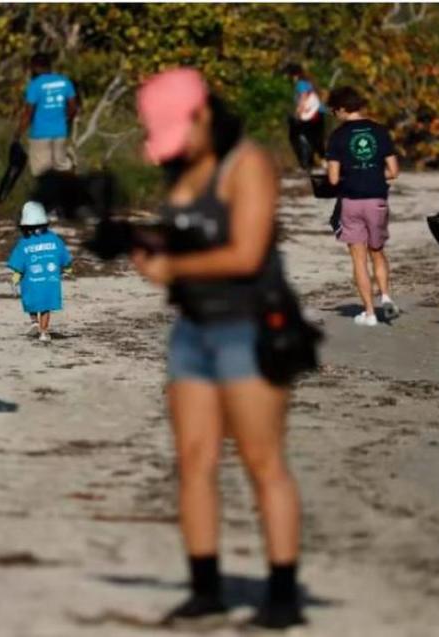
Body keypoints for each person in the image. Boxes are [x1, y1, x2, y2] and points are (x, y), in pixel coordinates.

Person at [131, 68, 305, 630]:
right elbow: (187, 235)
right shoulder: (183, 165)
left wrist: (170, 266)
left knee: (263, 463)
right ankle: (205, 587)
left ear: (204, 115)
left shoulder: (247, 163)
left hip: (250, 330)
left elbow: (246, 255)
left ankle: (281, 595)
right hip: (192, 331)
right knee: (193, 463)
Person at [325, 86, 400, 327]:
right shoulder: (379, 131)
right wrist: (375, 175)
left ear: (342, 109)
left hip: (351, 201)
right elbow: (394, 171)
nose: (334, 114)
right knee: (377, 251)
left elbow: (334, 179)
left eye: (334, 109)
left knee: (358, 259)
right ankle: (386, 297)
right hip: (377, 199)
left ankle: (369, 313)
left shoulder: (337, 136)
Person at [7, 201, 72, 342]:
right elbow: (63, 255)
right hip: (49, 280)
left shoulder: (24, 242)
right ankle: (43, 332)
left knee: (31, 301)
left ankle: (34, 322)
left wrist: (16, 277)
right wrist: (67, 268)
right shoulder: (54, 239)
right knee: (46, 306)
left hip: (31, 280)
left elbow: (19, 263)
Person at [14, 52, 78, 176]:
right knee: (61, 168)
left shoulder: (35, 85)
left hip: (40, 134)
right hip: (60, 132)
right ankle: (67, 191)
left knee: (42, 172)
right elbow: (73, 107)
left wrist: (17, 134)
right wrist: (65, 121)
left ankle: (48, 194)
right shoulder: (65, 81)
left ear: (34, 67)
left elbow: (28, 113)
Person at [284, 64, 326, 171]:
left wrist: (298, 112)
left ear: (293, 75)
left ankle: (308, 163)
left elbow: (303, 96)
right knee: (315, 139)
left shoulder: (301, 83)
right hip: (318, 114)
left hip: (312, 115)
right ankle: (322, 161)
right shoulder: (308, 82)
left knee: (301, 138)